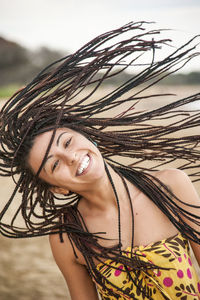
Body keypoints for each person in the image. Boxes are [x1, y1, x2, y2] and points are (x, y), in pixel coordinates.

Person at [0, 21, 200, 300]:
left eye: (67, 142)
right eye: (54, 164)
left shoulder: (170, 185)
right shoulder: (67, 237)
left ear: (88, 137)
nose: (69, 157)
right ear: (57, 187)